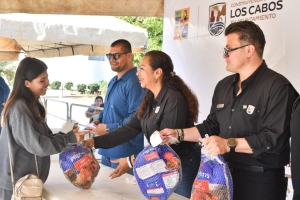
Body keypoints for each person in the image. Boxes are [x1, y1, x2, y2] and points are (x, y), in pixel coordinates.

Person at [160, 21, 299, 200]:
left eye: (228, 50)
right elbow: (211, 127)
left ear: (249, 50)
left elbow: (273, 139)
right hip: (221, 178)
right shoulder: (224, 86)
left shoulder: (278, 87)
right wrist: (178, 134)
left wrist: (228, 144)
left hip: (261, 182)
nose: (224, 56)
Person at [84, 50, 200, 198]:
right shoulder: (150, 97)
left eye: (142, 69)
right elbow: (130, 129)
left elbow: (167, 144)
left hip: (182, 166)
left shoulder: (174, 99)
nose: (138, 73)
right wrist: (93, 142)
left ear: (157, 72)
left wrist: (130, 161)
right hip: (160, 165)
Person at [0, 57, 89, 199]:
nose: (47, 83)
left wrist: (67, 133)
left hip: (29, 183)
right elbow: (39, 146)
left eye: (47, 78)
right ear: (26, 83)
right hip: (17, 186)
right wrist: (70, 138)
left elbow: (45, 138)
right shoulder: (19, 108)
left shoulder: (32, 105)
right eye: (42, 80)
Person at [91, 39, 145, 172]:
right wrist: (99, 120)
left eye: (116, 55)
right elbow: (108, 108)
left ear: (129, 56)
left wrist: (108, 128)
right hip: (106, 149)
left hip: (125, 153)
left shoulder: (135, 82)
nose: (112, 59)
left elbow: (137, 119)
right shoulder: (113, 81)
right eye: (109, 56)